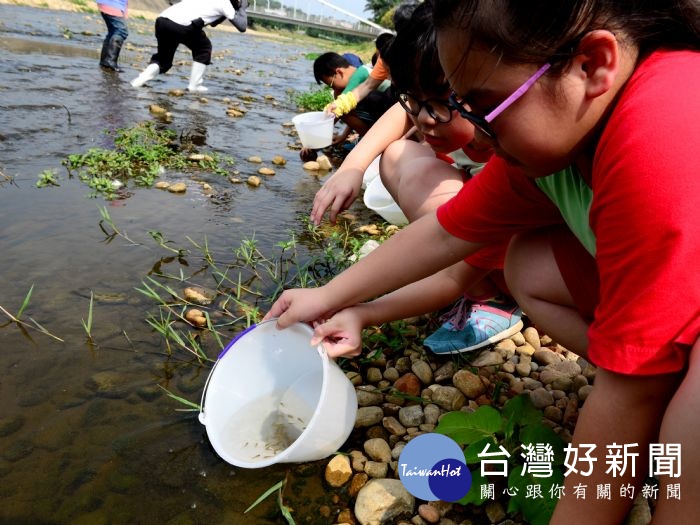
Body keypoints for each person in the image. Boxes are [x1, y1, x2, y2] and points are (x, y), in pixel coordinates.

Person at [267, 1, 700, 522]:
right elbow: (448, 233)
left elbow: (632, 390)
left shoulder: (662, 130)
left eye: (477, 104)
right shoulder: (552, 149)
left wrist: (634, 387)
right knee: (529, 268)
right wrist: (332, 297)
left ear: (591, 66)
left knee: (689, 421)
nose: (470, 127)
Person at [301, 1, 522, 356]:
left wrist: (354, 308)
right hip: (476, 247)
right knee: (397, 154)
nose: (423, 119)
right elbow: (399, 114)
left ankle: (494, 300)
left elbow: (451, 276)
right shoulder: (449, 112)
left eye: (439, 101)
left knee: (483, 258)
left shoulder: (517, 155)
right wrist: (352, 170)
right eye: (413, 100)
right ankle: (483, 288)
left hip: (520, 264)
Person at [130, 0, 248, 92]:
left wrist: (228, 12)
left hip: (163, 20)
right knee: (204, 48)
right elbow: (242, 27)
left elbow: (213, 23)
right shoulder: (225, 3)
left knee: (164, 61)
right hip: (183, 25)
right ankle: (194, 86)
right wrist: (242, 8)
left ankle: (139, 81)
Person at [300, 52, 394, 161]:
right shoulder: (353, 80)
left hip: (390, 111)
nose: (333, 89)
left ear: (339, 72)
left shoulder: (360, 74)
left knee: (341, 105)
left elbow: (336, 113)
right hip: (380, 114)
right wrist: (343, 136)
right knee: (342, 103)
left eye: (331, 84)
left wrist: (311, 142)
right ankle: (369, 138)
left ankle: (373, 141)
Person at [96, 0, 128, 72]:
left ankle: (105, 61)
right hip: (112, 4)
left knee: (113, 31)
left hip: (109, 4)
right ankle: (110, 61)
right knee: (121, 31)